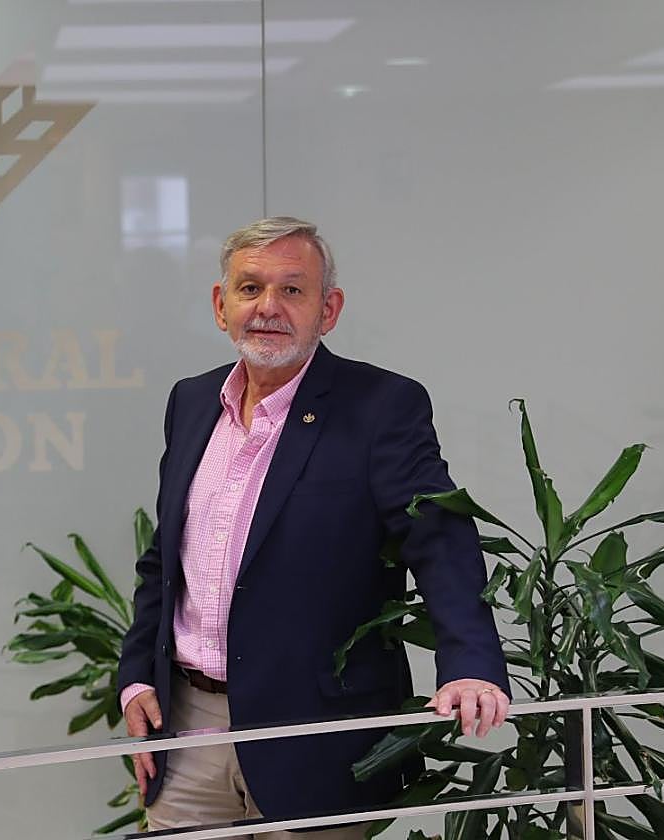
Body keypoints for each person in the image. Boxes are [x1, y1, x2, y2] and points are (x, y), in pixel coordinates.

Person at [117, 217, 511, 838]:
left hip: (314, 735)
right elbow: (166, 558)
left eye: (292, 290)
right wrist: (139, 672)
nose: (267, 307)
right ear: (221, 305)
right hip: (188, 727)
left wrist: (469, 661)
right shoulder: (191, 401)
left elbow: (439, 539)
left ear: (329, 310)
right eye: (250, 288)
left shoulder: (381, 406)